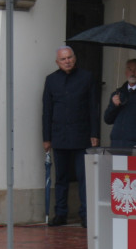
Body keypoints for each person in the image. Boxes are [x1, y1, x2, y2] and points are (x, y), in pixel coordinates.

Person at [42, 46, 100, 227]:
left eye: (69, 57)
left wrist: (95, 133)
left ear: (75, 58)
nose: (67, 61)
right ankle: (60, 213)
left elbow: (93, 107)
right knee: (61, 178)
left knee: (83, 177)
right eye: (63, 59)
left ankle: (85, 214)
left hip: (82, 136)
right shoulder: (51, 80)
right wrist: (46, 138)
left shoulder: (86, 77)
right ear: (57, 62)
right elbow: (47, 110)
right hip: (59, 137)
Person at [103, 58, 136, 149]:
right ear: (126, 72)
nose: (132, 72)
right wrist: (114, 105)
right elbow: (107, 119)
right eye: (129, 69)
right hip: (117, 144)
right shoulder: (117, 94)